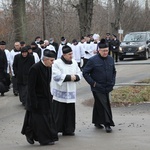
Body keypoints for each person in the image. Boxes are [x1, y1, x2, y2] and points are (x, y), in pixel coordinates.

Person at [21, 49, 58, 145]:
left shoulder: (48, 67)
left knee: (46, 118)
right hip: (37, 98)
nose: (53, 63)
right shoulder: (35, 68)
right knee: (41, 121)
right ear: (45, 59)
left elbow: (47, 83)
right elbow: (31, 87)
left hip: (46, 97)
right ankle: (44, 140)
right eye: (51, 60)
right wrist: (33, 102)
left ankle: (46, 136)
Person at [83, 38, 116, 133]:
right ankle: (108, 123)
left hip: (108, 85)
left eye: (107, 50)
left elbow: (114, 72)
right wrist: (93, 83)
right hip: (97, 86)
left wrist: (113, 82)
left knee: (99, 103)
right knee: (104, 104)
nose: (105, 52)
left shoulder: (110, 59)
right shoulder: (93, 60)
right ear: (99, 51)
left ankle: (97, 121)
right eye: (103, 51)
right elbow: (85, 72)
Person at [51, 45, 82, 136]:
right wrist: (69, 77)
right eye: (69, 54)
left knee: (70, 112)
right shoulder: (57, 63)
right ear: (64, 55)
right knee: (59, 112)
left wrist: (76, 77)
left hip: (71, 92)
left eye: (72, 54)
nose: (71, 56)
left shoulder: (74, 63)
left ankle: (69, 129)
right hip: (60, 92)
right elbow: (56, 76)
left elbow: (79, 73)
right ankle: (56, 129)